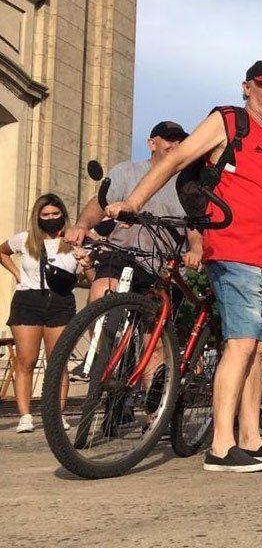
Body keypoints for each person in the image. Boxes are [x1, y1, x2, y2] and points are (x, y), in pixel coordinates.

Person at [105, 60, 262, 472]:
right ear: (247, 87)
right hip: (237, 250)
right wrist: (135, 202)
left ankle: (251, 437)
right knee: (241, 343)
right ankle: (220, 446)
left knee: (258, 349)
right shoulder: (228, 120)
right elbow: (177, 161)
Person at [67, 121, 196, 297]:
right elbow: (100, 202)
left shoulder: (189, 184)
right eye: (169, 140)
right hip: (123, 254)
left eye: (180, 141)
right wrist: (82, 225)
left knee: (153, 321)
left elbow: (193, 223)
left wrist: (196, 249)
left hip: (165, 267)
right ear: (152, 143)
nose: (175, 145)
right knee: (102, 294)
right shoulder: (127, 171)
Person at [1, 194, 79, 432]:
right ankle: (25, 415)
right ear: (37, 217)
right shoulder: (25, 239)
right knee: (27, 360)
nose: (51, 218)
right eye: (46, 215)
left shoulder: (73, 241)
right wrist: (16, 274)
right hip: (28, 300)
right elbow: (2, 252)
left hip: (61, 301)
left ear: (63, 215)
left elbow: (87, 273)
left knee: (58, 361)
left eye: (56, 214)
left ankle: (57, 414)